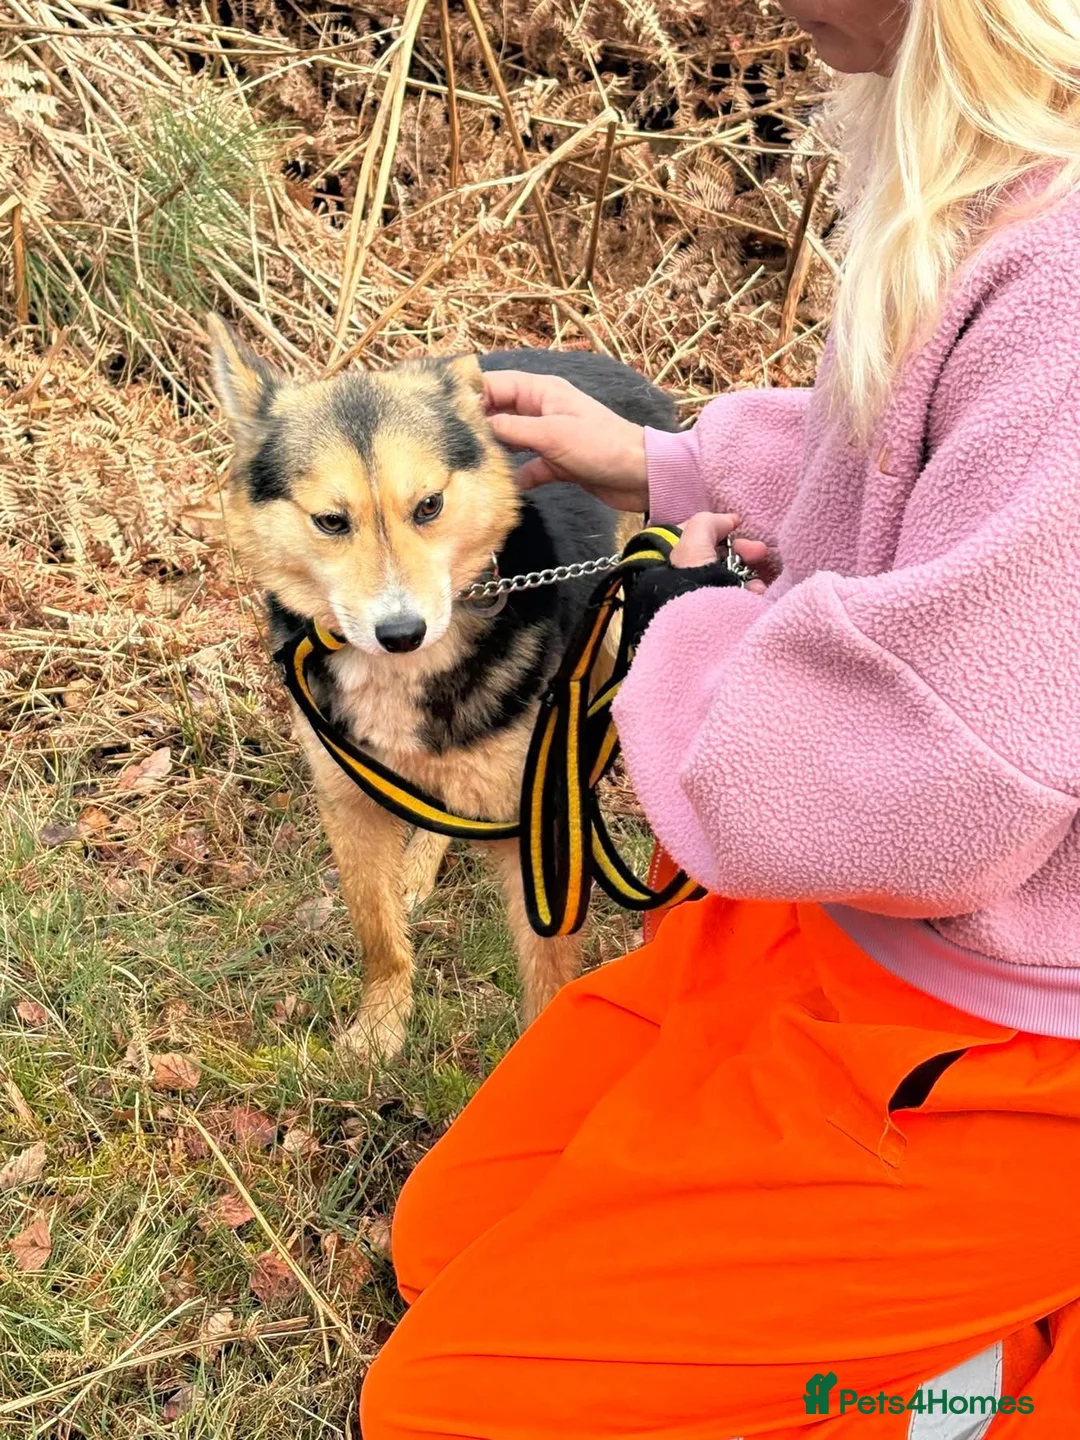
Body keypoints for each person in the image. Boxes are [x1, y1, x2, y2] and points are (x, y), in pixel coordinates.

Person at [361, 1, 1080, 1434]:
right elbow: (916, 455)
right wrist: (663, 464)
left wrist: (673, 647)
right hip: (848, 943)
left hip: (1008, 1039)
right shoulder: (1008, 181)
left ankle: (987, 1387)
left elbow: (951, 781)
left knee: (446, 1412)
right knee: (442, 1241)